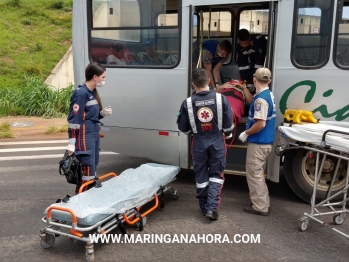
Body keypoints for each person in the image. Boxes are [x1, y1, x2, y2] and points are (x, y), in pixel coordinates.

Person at [177, 68, 234, 221]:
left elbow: (182, 127)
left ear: (193, 84)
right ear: (209, 81)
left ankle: (203, 207)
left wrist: (194, 133)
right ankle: (211, 209)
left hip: (199, 142)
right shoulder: (221, 99)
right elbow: (228, 123)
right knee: (216, 175)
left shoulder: (187, 103)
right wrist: (227, 134)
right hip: (217, 141)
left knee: (201, 175)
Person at [66, 62, 112, 194]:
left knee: (92, 169)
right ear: (95, 77)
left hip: (93, 135)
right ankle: (81, 201)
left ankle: (85, 199)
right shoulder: (81, 93)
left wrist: (102, 113)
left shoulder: (91, 93)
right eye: (103, 77)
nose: (104, 80)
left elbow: (91, 116)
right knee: (87, 172)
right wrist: (72, 143)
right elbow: (74, 120)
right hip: (84, 137)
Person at [238, 67, 276, 216]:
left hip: (259, 142)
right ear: (269, 80)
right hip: (265, 142)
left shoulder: (260, 99)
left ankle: (260, 207)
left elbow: (260, 124)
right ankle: (264, 202)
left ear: (254, 79)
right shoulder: (268, 94)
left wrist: (245, 133)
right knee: (258, 174)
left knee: (254, 175)